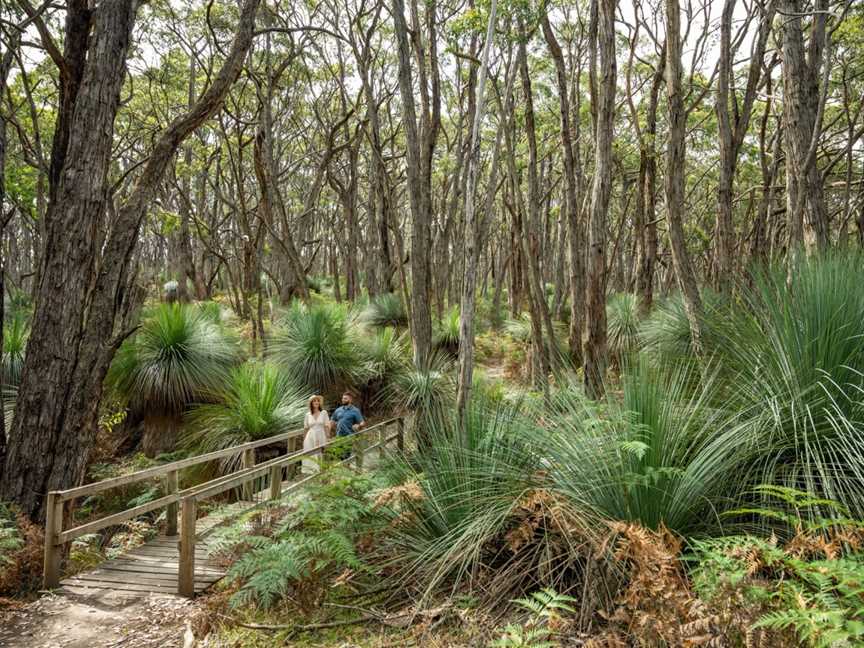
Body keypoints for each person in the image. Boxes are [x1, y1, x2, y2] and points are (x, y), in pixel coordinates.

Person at [330, 391, 365, 457]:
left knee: (346, 456)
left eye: (345, 398)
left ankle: (347, 466)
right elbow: (332, 421)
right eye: (343, 398)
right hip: (338, 437)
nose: (343, 400)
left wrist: (359, 425)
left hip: (349, 437)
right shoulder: (338, 410)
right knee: (338, 456)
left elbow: (362, 422)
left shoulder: (355, 411)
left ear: (350, 400)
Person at [302, 395, 329, 475]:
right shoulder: (307, 415)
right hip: (310, 436)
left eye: (318, 401)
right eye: (314, 401)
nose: (316, 402)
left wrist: (328, 438)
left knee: (320, 454)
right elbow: (306, 428)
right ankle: (310, 471)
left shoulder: (324, 413)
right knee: (310, 454)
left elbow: (327, 425)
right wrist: (304, 440)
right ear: (311, 403)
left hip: (321, 435)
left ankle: (320, 472)